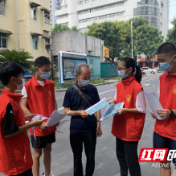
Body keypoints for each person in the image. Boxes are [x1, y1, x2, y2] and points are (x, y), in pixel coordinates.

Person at [0, 61, 44, 176]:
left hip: (19, 156)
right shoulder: (7, 102)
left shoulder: (7, 99)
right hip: (16, 159)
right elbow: (9, 132)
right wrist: (32, 124)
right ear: (13, 80)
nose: (22, 80)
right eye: (21, 77)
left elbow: (9, 120)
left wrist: (25, 117)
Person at [107, 57, 146, 176]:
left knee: (131, 161)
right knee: (121, 157)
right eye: (118, 69)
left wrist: (125, 109)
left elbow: (141, 108)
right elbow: (118, 101)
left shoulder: (137, 87)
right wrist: (113, 101)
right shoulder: (119, 85)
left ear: (129, 70)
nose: (118, 71)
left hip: (130, 129)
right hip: (120, 126)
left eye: (120, 69)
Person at [21, 56, 59, 176]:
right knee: (37, 154)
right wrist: (37, 121)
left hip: (50, 124)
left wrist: (56, 116)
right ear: (36, 69)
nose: (47, 73)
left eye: (49, 70)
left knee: (48, 150)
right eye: (45, 71)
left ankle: (47, 174)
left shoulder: (51, 84)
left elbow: (54, 102)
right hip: (37, 127)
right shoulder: (27, 86)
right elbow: (23, 107)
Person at [63, 63, 102, 176]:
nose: (87, 79)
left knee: (90, 155)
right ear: (77, 76)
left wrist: (98, 125)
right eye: (85, 77)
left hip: (90, 128)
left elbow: (98, 107)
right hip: (76, 129)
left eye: (89, 76)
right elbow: (65, 110)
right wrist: (78, 112)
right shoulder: (70, 91)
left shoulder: (93, 89)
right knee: (77, 156)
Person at [151, 43, 176, 176]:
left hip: (175, 134)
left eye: (163, 61)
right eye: (158, 61)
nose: (160, 64)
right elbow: (163, 100)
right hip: (160, 130)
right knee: (163, 163)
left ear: (174, 58)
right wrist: (156, 110)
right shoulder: (162, 77)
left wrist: (172, 112)